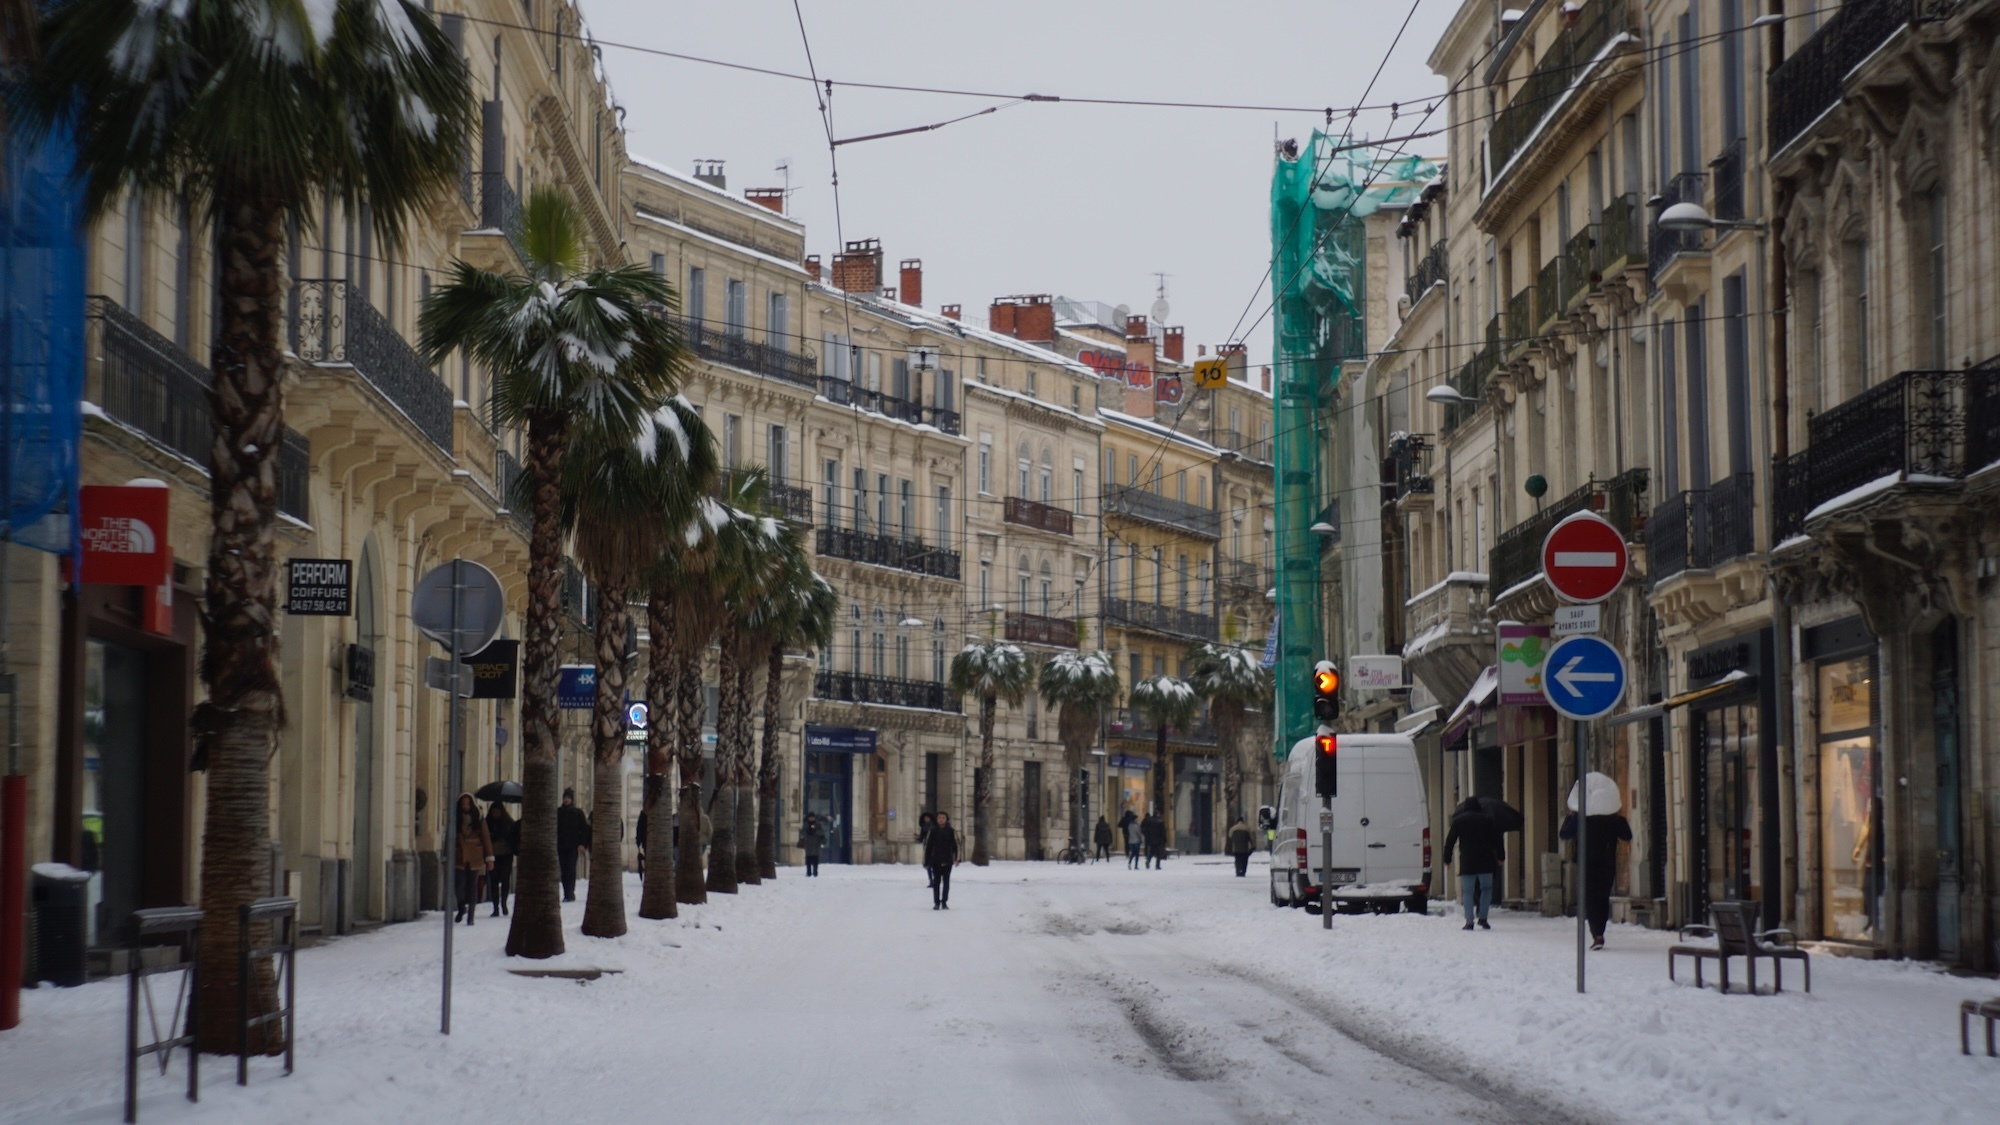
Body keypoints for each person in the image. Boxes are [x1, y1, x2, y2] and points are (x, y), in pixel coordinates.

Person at [1561, 808, 1634, 950]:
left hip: (1590, 864)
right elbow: (1627, 835)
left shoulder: (1583, 817)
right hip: (1605, 863)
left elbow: (1565, 833)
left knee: (1592, 898)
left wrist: (1572, 817)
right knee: (1601, 898)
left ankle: (1598, 934)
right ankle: (1599, 933)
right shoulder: (1611, 818)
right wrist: (1619, 817)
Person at [1443, 798, 1504, 931]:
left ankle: (1469, 921)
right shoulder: (1488, 820)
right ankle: (1483, 918)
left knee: (1468, 892)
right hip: (1486, 861)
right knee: (1486, 889)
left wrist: (1447, 859)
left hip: (1467, 862)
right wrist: (1501, 856)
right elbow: (1498, 840)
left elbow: (1450, 841)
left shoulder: (1459, 821)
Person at [451, 794, 493, 926]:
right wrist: (448, 855)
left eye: (468, 804)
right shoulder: (455, 818)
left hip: (475, 856)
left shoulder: (479, 818)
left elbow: (486, 839)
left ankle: (471, 916)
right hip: (459, 856)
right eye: (463, 804)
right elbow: (449, 837)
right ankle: (461, 907)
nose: (465, 806)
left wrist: (489, 858)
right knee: (459, 885)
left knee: (472, 886)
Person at [556, 788, 591, 903]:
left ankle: (570, 892)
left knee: (571, 869)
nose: (566, 800)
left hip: (573, 846)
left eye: (568, 798)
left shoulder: (578, 813)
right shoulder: (558, 812)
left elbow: (584, 829)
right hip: (561, 846)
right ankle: (566, 893)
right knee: (563, 870)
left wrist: (582, 844)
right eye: (565, 798)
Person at [485, 800, 518, 917]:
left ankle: (503, 903)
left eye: (497, 812)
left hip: (506, 855)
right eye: (493, 812)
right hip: (493, 855)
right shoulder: (487, 823)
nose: (495, 814)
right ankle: (495, 907)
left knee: (505, 879)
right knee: (493, 881)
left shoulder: (508, 823)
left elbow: (514, 836)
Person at [923, 810, 960, 909]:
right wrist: (926, 861)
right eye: (939, 818)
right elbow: (927, 847)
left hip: (947, 860)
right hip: (935, 860)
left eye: (943, 818)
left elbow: (957, 845)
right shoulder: (932, 831)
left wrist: (957, 858)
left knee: (946, 882)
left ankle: (944, 902)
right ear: (936, 819)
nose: (941, 820)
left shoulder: (951, 831)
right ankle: (936, 902)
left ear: (946, 819)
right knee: (936, 882)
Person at [799, 812, 826, 877]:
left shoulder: (818, 824)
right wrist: (807, 832)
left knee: (815, 859)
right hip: (808, 844)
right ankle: (808, 872)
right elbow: (801, 833)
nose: (811, 819)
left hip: (816, 844)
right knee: (808, 859)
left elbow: (822, 832)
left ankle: (815, 872)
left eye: (812, 817)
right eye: (810, 817)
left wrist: (815, 832)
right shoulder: (806, 825)